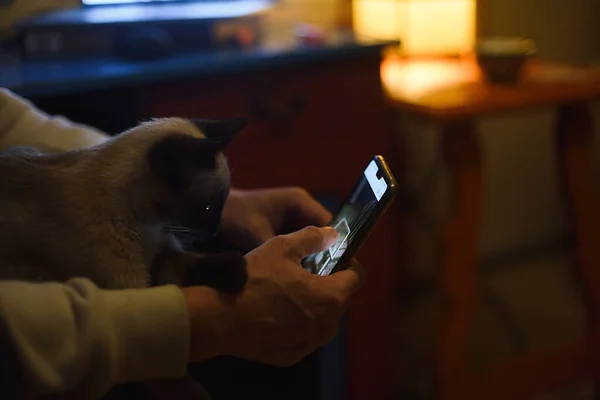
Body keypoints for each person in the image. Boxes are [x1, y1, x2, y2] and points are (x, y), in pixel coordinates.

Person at [0, 89, 363, 399]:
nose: (211, 221)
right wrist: (212, 320)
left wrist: (228, 203)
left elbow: (11, 121)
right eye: (210, 210)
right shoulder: (96, 230)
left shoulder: (136, 191)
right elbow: (136, 330)